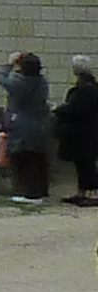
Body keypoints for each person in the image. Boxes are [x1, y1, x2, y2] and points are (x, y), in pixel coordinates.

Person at [0, 50, 53, 203]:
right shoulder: (42, 83)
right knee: (39, 158)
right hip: (40, 123)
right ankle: (42, 192)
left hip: (23, 125)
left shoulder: (19, 84)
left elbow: (1, 77)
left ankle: (31, 193)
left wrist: (9, 63)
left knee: (23, 158)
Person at [62, 57, 98, 208]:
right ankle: (82, 191)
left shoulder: (84, 89)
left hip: (84, 131)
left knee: (86, 163)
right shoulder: (91, 87)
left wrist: (59, 110)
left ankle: (93, 193)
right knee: (82, 163)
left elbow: (76, 109)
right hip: (87, 130)